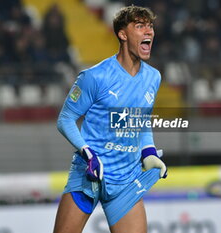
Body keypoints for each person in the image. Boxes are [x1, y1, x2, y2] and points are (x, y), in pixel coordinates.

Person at [53, 5, 167, 233]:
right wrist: (87, 153)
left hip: (126, 179)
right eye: (140, 26)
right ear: (122, 34)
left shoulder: (153, 77)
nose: (149, 32)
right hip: (90, 175)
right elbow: (65, 119)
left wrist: (149, 152)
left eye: (150, 26)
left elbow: (140, 120)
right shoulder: (95, 77)